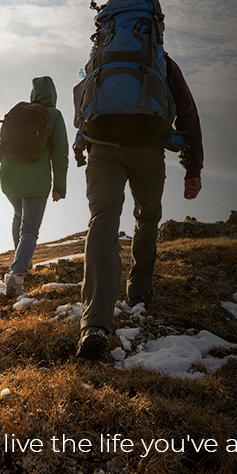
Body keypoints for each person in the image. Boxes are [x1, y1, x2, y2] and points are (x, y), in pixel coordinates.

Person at [77, 53, 203, 360]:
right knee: (147, 216)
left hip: (102, 149)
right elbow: (187, 113)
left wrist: (84, 142)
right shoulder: (160, 61)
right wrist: (193, 169)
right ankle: (139, 290)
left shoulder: (100, 57)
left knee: (103, 219)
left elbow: (82, 100)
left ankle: (94, 325)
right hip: (148, 148)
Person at [0, 77, 68, 296]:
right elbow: (60, 155)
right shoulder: (54, 116)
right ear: (53, 95)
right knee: (30, 229)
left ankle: (22, 261)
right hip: (37, 182)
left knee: (18, 216)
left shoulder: (18, 113)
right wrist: (60, 186)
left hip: (10, 180)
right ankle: (17, 275)